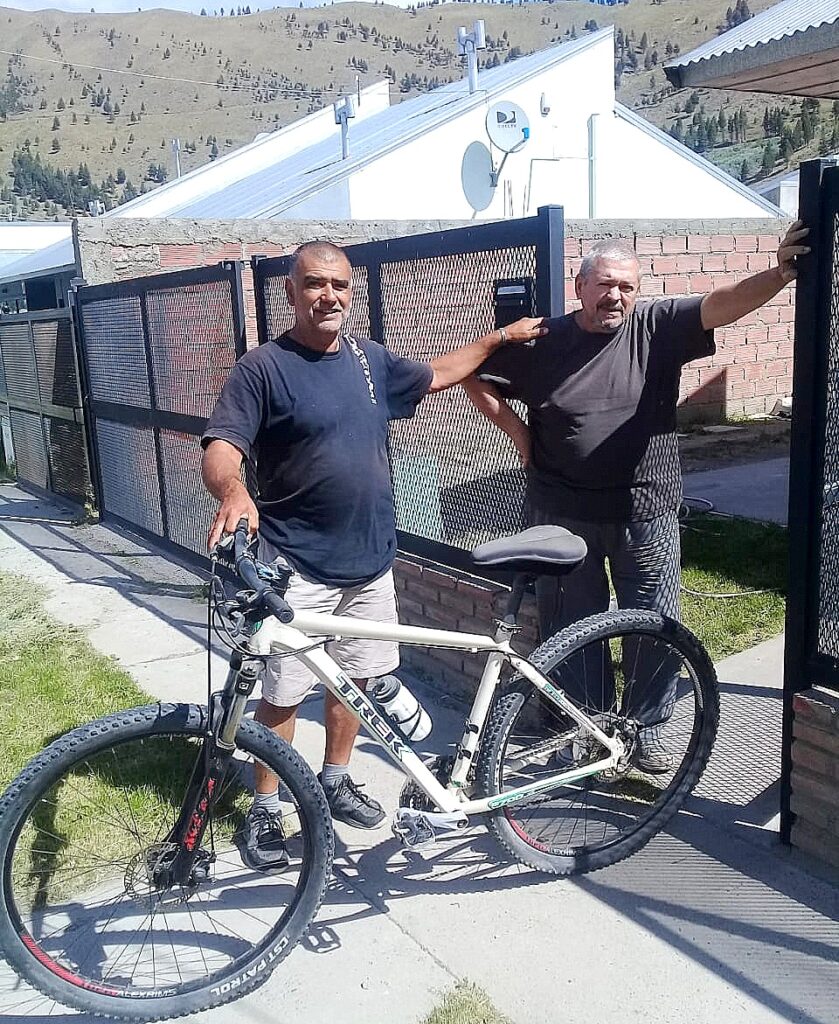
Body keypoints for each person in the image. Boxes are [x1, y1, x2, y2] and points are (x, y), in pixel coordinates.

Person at [201, 239, 545, 870]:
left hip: (370, 561)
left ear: (350, 291)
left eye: (338, 284)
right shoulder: (263, 369)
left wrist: (500, 337)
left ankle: (334, 779)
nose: (328, 296)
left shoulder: (368, 359)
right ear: (291, 291)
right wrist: (234, 491)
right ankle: (267, 809)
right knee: (282, 693)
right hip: (297, 564)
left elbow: (439, 373)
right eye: (314, 284)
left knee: (356, 680)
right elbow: (223, 446)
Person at [465, 222, 809, 773]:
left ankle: (646, 728)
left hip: (645, 511)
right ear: (580, 287)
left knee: (653, 622)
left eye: (626, 286)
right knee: (570, 628)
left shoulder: (656, 326)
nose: (615, 296)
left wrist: (780, 274)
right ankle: (588, 727)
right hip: (562, 514)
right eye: (605, 284)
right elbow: (472, 373)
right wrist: (519, 434)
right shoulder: (544, 341)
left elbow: (721, 305)